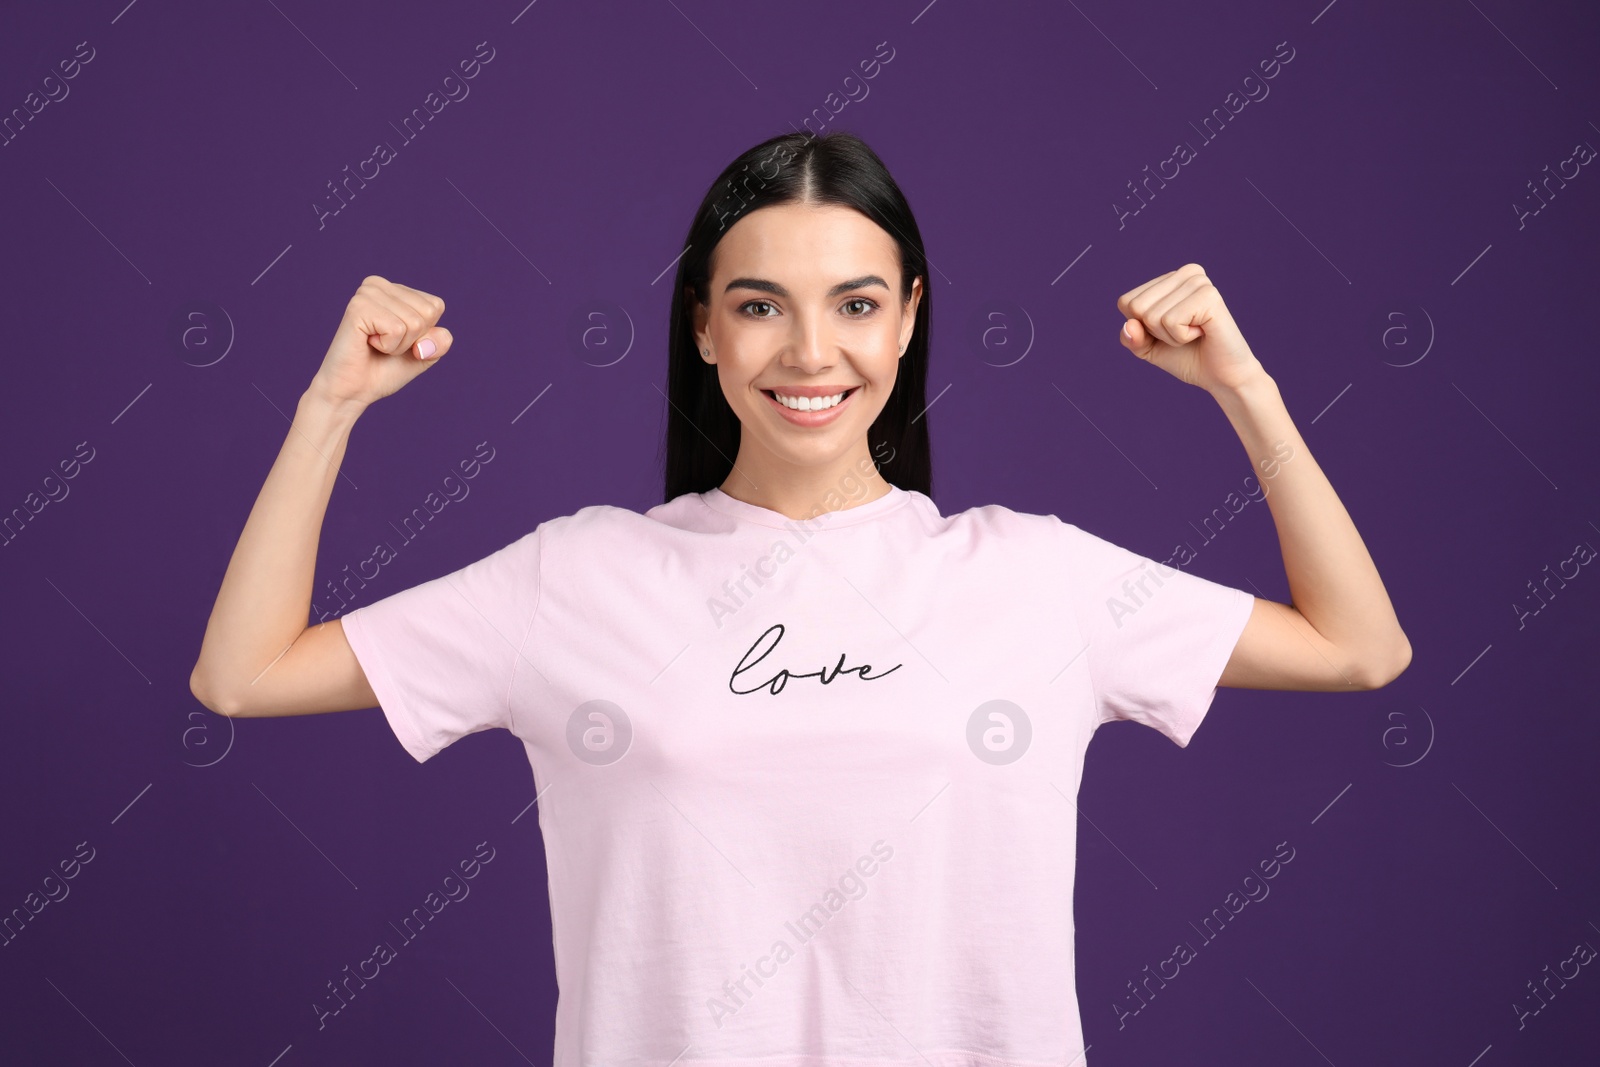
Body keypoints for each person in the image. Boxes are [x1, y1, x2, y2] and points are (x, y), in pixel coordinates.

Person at [190, 130, 1410, 1065]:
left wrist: (1242, 388)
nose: (811, 352)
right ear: (706, 329)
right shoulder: (579, 574)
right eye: (761, 304)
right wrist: (328, 410)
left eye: (856, 304)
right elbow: (240, 676)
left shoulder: (1033, 573)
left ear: (909, 318)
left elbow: (1360, 647)